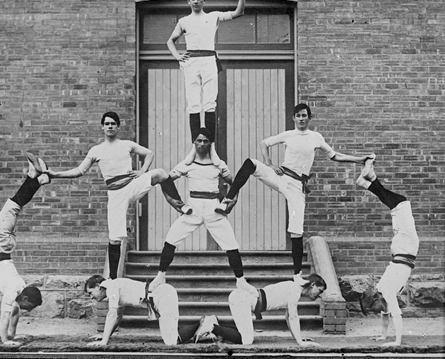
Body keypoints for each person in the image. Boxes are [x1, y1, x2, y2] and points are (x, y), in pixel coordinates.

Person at [215, 103, 374, 283]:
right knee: (250, 163)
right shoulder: (288, 135)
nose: (301, 119)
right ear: (293, 118)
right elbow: (264, 143)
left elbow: (335, 155)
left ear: (309, 118)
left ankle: (297, 276)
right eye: (298, 116)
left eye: (304, 115)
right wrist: (269, 164)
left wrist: (360, 160)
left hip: (297, 186)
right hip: (281, 176)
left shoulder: (316, 137)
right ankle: (228, 199)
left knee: (296, 231)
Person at [46, 111, 190, 280]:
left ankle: (180, 205)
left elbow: (149, 153)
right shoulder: (96, 150)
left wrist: (143, 170)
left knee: (159, 173)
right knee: (115, 238)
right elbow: (79, 171)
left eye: (113, 123)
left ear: (118, 126)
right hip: (115, 194)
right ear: (102, 127)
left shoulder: (126, 144)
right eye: (107, 124)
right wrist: (55, 174)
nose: (110, 126)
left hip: (132, 184)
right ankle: (113, 280)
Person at [148, 128, 258, 297]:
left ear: (210, 143)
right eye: (198, 141)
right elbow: (165, 180)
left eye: (205, 141)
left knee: (231, 245)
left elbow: (235, 184)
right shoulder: (187, 164)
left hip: (214, 209)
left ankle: (241, 281)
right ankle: (160, 276)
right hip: (192, 209)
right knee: (171, 239)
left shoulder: (218, 164)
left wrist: (231, 201)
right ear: (194, 142)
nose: (201, 144)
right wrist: (172, 200)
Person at [167, 0, 246, 167]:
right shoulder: (184, 21)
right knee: (193, 104)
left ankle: (211, 149)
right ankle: (195, 148)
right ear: (188, 1)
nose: (196, 1)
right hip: (191, 62)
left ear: (204, 0)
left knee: (209, 104)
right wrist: (177, 56)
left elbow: (239, 12)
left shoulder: (214, 16)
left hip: (209, 60)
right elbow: (170, 41)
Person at [357, 156, 419, 347]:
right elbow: (395, 315)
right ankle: (371, 179)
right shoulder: (388, 294)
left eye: (375, 305)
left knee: (397, 206)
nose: (380, 309)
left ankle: (368, 181)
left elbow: (386, 315)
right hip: (405, 249)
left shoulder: (383, 290)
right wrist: (396, 342)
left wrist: (384, 338)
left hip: (401, 249)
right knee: (401, 203)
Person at [0, 152, 49, 345]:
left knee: (15, 206)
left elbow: (13, 313)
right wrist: (5, 340)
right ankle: (36, 179)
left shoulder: (18, 291)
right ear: (25, 298)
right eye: (28, 307)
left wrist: (13, 335)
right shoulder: (14, 290)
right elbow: (5, 316)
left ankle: (34, 178)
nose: (27, 310)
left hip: (3, 248)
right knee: (13, 205)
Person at [85, 274, 227, 346]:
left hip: (162, 295)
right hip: (160, 296)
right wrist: (105, 336)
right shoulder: (113, 287)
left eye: (91, 292)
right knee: (171, 338)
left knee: (171, 341)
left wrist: (104, 341)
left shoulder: (111, 287)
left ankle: (208, 324)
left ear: (98, 286)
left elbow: (111, 314)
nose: (91, 297)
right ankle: (204, 324)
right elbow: (117, 317)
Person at [193, 274, 326, 346]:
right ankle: (211, 326)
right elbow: (293, 317)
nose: (318, 295)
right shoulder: (294, 290)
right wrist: (300, 343)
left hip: (242, 298)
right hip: (242, 299)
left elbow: (288, 318)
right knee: (247, 341)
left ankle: (215, 322)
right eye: (319, 291)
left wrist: (300, 338)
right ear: (313, 284)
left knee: (244, 336)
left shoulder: (294, 287)